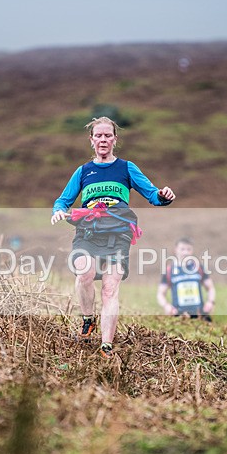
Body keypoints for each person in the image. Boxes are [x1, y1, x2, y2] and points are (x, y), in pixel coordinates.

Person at [51, 117, 176, 358]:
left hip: (118, 233)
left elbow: (153, 195)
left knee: (110, 288)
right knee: (84, 273)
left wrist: (164, 195)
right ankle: (88, 320)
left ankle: (106, 347)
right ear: (91, 140)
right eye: (98, 135)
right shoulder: (83, 171)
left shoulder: (127, 168)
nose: (103, 139)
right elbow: (63, 200)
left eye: (108, 135)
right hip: (88, 231)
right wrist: (58, 210)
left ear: (115, 139)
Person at [157, 237, 216, 321]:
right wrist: (166, 306)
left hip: (199, 315)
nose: (185, 252)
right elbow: (160, 293)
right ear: (176, 250)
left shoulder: (199, 268)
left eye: (188, 249)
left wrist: (210, 302)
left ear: (192, 251)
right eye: (182, 249)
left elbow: (210, 288)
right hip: (179, 316)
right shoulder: (169, 270)